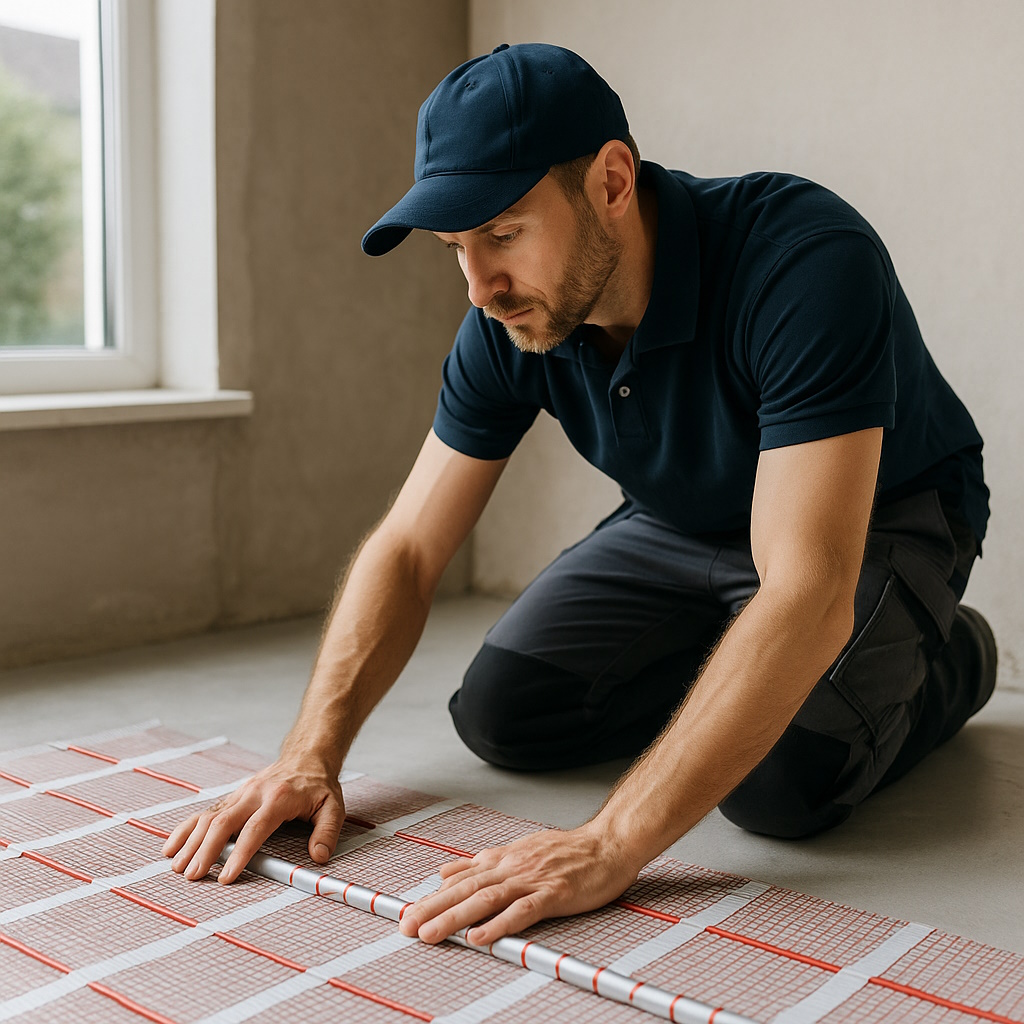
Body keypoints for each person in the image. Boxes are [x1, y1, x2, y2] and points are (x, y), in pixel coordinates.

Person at [164, 42, 995, 948]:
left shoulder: (803, 259)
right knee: (504, 716)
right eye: (456, 248)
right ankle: (741, 659)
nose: (480, 288)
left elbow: (806, 585)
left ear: (611, 182)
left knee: (780, 784)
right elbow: (408, 545)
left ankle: (951, 654)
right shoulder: (510, 319)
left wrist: (610, 841)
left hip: (872, 521)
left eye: (503, 233)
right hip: (682, 520)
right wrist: (308, 755)